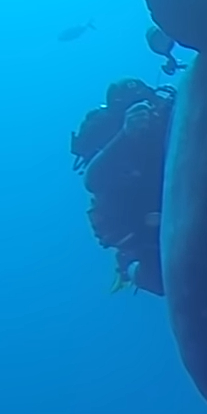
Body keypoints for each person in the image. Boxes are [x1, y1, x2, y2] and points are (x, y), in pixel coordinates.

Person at [70, 78, 175, 295]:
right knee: (161, 279)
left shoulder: (168, 120)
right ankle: (131, 269)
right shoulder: (112, 141)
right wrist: (126, 134)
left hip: (174, 201)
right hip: (139, 225)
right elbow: (93, 180)